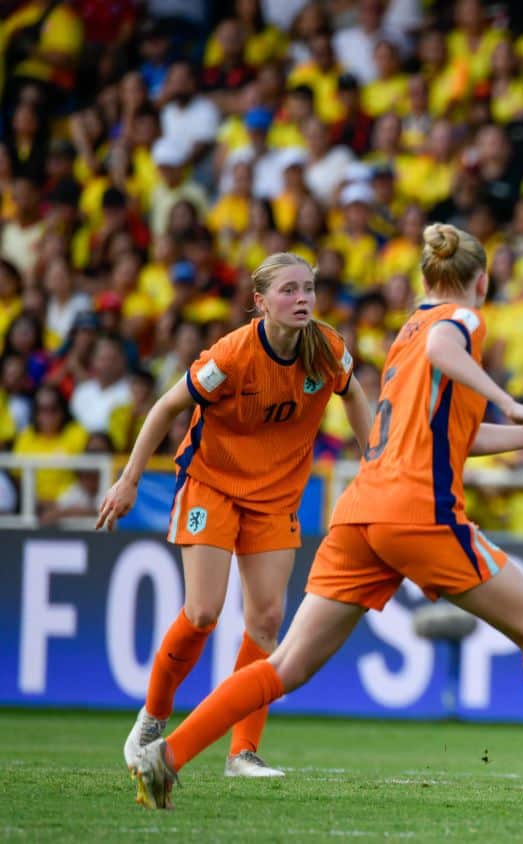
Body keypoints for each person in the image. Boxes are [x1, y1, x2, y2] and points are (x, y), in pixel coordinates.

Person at [123, 225, 523, 818]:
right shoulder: (459, 322)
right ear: (482, 281)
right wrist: (514, 401)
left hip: (361, 511)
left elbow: (450, 436)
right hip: (418, 512)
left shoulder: (407, 330)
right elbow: (451, 346)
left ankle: (168, 755)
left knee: (285, 664)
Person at [100, 253, 372, 779]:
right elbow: (165, 408)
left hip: (275, 496)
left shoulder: (327, 348)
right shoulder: (232, 354)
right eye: (289, 290)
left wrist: (373, 460)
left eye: (309, 289)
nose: (302, 300)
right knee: (203, 611)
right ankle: (153, 718)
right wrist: (130, 478)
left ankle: (241, 753)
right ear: (260, 302)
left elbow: (356, 396)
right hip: (212, 484)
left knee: (267, 621)